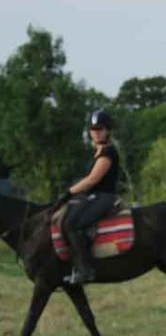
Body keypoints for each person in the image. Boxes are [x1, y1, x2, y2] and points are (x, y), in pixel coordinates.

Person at [58, 109, 121, 285]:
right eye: (93, 129)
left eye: (100, 129)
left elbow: (92, 179)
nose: (96, 132)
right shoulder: (98, 152)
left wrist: (68, 193)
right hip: (93, 196)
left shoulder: (107, 153)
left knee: (72, 224)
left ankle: (86, 270)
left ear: (108, 130)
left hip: (104, 197)